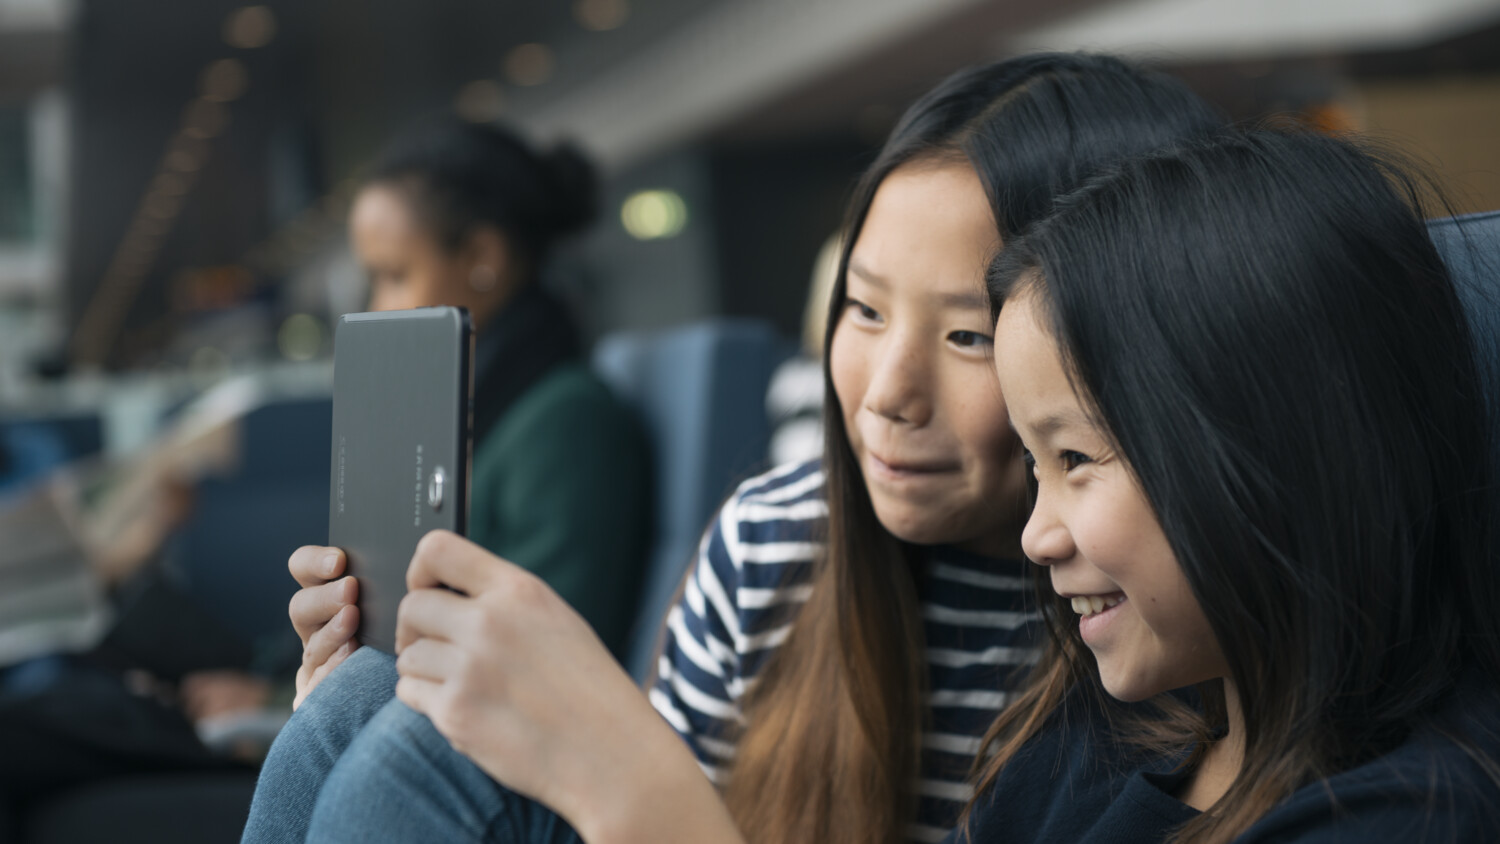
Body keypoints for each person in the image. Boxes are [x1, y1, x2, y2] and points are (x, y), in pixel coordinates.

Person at [241, 54, 1223, 844]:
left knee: (409, 739)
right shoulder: (777, 542)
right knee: (353, 698)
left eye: (968, 334)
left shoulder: (1158, 625)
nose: (886, 394)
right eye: (864, 311)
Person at [962, 129, 1500, 842]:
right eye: (1035, 464)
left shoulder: (1409, 816)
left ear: (1278, 450)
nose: (1036, 536)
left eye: (1075, 458)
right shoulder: (1101, 738)